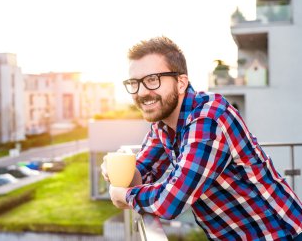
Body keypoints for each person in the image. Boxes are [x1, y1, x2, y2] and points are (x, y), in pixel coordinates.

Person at [101, 36, 302, 240]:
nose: (142, 92)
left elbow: (171, 201)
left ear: (181, 83)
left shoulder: (208, 119)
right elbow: (141, 176)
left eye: (153, 80)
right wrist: (117, 170)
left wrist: (124, 196)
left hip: (281, 233)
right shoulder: (162, 124)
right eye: (134, 82)